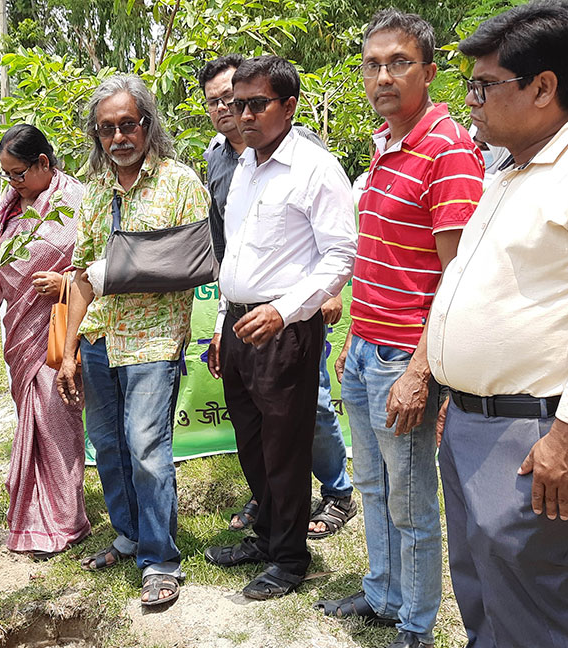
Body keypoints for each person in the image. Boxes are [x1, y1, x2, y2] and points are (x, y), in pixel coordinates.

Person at [314, 10, 484, 648]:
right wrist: (353, 343)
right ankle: (383, 594)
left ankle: (415, 622)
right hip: (366, 349)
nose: (382, 76)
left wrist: (417, 372)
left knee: (411, 500)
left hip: (404, 359)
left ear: (430, 72)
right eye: (372, 64)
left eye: (399, 63)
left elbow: (456, 281)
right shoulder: (386, 144)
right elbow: (380, 259)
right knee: (372, 483)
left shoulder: (447, 150)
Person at [427, 3, 568, 646]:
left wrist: (565, 437)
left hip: (528, 434)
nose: (473, 100)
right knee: (482, 590)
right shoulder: (508, 170)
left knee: (528, 605)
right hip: (471, 423)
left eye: (486, 85)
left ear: (543, 87)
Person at [201, 56, 356, 600]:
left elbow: (340, 257)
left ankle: (290, 559)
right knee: (250, 441)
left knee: (284, 448)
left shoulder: (315, 169)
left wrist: (285, 311)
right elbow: (236, 257)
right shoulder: (242, 168)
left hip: (284, 328)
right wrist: (224, 322)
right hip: (241, 321)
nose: (242, 115)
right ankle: (267, 535)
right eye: (235, 104)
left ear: (288, 106)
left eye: (255, 104)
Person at [55, 74, 209, 607]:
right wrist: (69, 349)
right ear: (96, 135)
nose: (119, 136)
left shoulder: (180, 182)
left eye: (128, 124)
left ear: (147, 125)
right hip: (99, 338)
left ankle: (161, 559)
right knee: (110, 448)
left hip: (153, 341)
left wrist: (118, 268)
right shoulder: (95, 192)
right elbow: (81, 273)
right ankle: (129, 534)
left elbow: (193, 262)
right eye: (107, 129)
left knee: (146, 450)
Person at [0, 124, 90, 558]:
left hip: (61, 332)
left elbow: (96, 262)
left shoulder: (76, 201)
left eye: (18, 173)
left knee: (59, 424)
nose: (12, 183)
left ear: (44, 163)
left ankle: (66, 520)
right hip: (20, 336)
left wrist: (63, 282)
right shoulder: (7, 208)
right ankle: (30, 519)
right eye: (7, 175)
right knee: (32, 423)